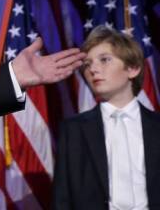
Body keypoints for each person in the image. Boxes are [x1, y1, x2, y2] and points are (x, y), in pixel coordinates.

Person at [52, 26, 160, 209]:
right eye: (87, 64)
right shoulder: (73, 130)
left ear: (132, 68)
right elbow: (62, 199)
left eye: (104, 60)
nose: (93, 69)